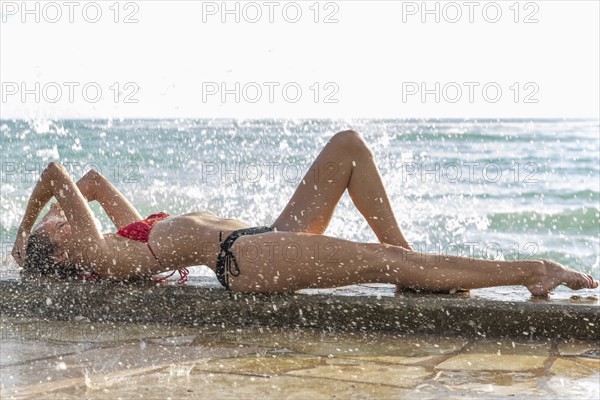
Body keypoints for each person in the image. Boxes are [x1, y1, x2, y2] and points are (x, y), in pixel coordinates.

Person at [12, 130, 598, 296]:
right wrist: (22, 234)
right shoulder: (94, 251)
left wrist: (33, 232)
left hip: (262, 237)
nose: (57, 220)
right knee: (383, 261)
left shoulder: (123, 237)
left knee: (347, 146)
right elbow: (58, 177)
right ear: (62, 248)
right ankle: (530, 271)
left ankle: (418, 269)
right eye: (52, 229)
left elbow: (88, 181)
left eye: (51, 221)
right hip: (244, 258)